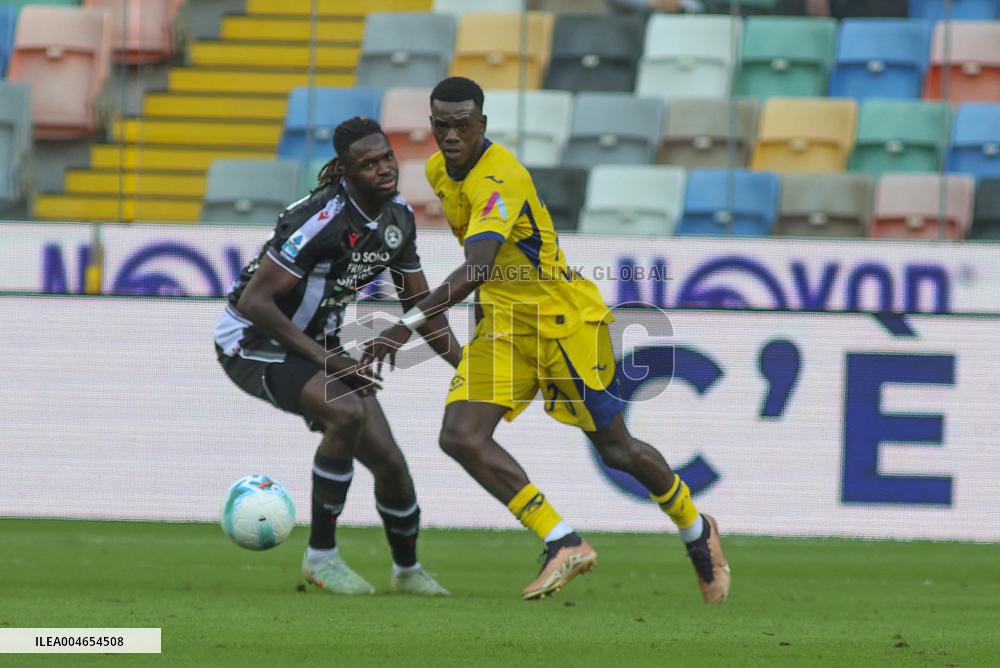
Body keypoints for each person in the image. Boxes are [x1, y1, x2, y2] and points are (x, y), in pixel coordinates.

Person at [363, 77, 731, 603]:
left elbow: (478, 265)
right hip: (504, 326)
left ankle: (697, 528)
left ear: (482, 125)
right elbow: (487, 271)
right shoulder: (439, 172)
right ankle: (563, 541)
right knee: (461, 435)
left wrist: (404, 328)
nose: (449, 135)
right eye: (440, 125)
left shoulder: (502, 177)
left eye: (461, 125)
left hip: (562, 324)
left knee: (617, 450)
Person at [214, 117, 460, 596]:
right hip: (252, 342)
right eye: (368, 164)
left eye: (386, 157)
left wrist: (469, 367)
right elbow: (255, 303)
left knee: (390, 462)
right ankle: (321, 558)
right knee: (345, 412)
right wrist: (333, 363)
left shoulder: (398, 219)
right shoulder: (320, 218)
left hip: (319, 345)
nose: (384, 169)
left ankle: (407, 573)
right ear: (346, 172)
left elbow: (421, 309)